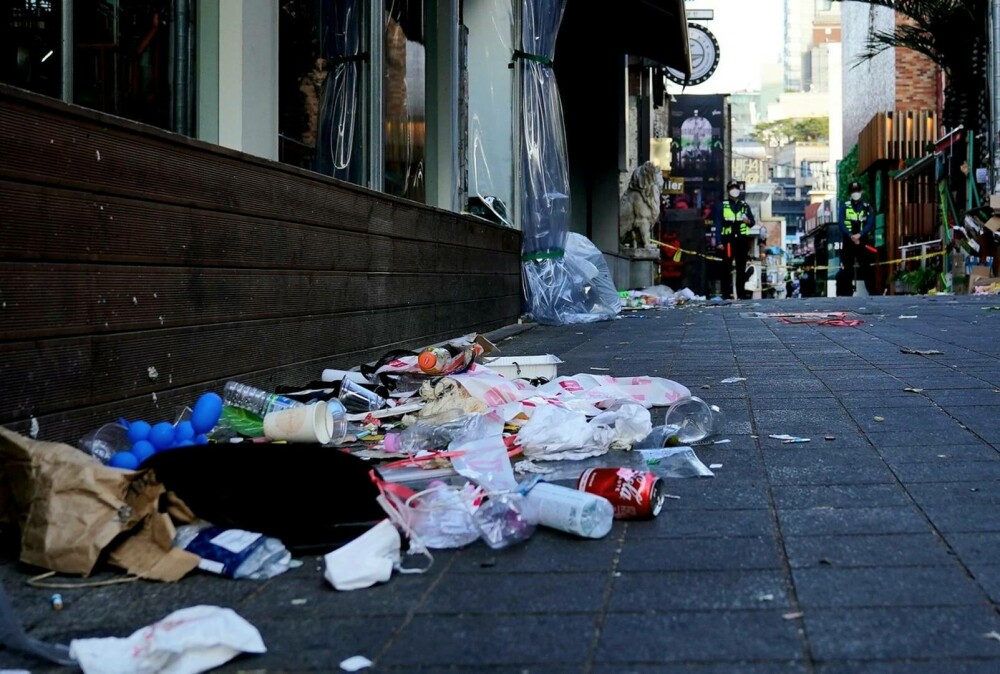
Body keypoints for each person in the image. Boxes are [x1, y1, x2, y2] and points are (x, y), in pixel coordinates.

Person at [714, 179, 756, 299]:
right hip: (727, 241)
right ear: (728, 191)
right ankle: (726, 294)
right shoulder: (722, 206)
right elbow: (717, 225)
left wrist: (748, 221)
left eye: (736, 188)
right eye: (732, 188)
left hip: (742, 241)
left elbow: (752, 222)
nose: (734, 191)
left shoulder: (744, 206)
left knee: (741, 268)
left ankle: (741, 294)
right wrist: (718, 242)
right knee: (726, 268)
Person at [838, 180, 875, 295]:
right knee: (847, 269)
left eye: (857, 191)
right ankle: (846, 294)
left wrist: (860, 235)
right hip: (848, 241)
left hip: (862, 241)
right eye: (853, 191)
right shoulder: (844, 207)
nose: (855, 193)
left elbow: (870, 223)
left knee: (866, 268)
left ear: (861, 192)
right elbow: (841, 223)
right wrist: (851, 236)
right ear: (850, 193)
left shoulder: (867, 207)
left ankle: (872, 293)